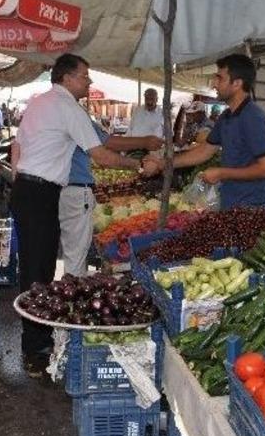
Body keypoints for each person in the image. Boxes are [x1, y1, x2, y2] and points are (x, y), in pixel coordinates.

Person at [12, 53, 158, 374]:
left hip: (28, 189)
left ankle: (36, 338)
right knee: (39, 269)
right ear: (66, 78)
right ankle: (36, 345)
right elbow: (102, 155)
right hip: (40, 192)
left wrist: (19, 176)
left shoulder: (38, 103)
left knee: (35, 266)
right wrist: (138, 165)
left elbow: (17, 146)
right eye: (84, 76)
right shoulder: (68, 107)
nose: (89, 82)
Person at [145, 54, 265, 210]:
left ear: (237, 83)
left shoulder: (253, 118)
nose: (214, 84)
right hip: (231, 203)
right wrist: (164, 163)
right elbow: (204, 151)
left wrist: (222, 173)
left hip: (254, 209)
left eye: (219, 78)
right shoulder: (226, 117)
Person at [60, 123, 162, 277]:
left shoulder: (58, 114)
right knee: (76, 255)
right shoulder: (75, 114)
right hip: (74, 189)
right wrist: (141, 158)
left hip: (61, 187)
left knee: (72, 251)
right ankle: (73, 286)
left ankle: (70, 284)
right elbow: (104, 149)